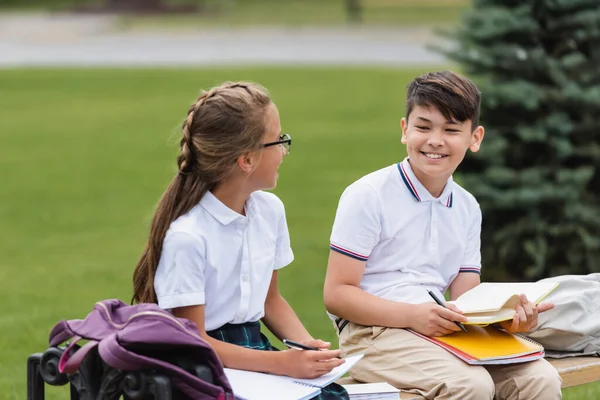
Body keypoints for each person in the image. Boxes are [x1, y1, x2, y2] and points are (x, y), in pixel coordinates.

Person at [323, 71, 563, 399]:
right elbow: (337, 294)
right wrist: (413, 317)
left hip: (443, 326)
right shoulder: (368, 194)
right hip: (372, 333)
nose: (435, 140)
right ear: (405, 130)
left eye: (451, 130)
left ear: (474, 138)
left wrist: (508, 319)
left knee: (541, 379)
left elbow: (467, 300)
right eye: (423, 127)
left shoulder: (466, 206)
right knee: (470, 385)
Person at [132, 81, 348, 399]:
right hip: (204, 368)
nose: (284, 151)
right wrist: (282, 363)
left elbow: (270, 300)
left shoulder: (270, 211)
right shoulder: (188, 238)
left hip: (255, 353)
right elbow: (196, 342)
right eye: (278, 141)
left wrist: (308, 349)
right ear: (246, 160)